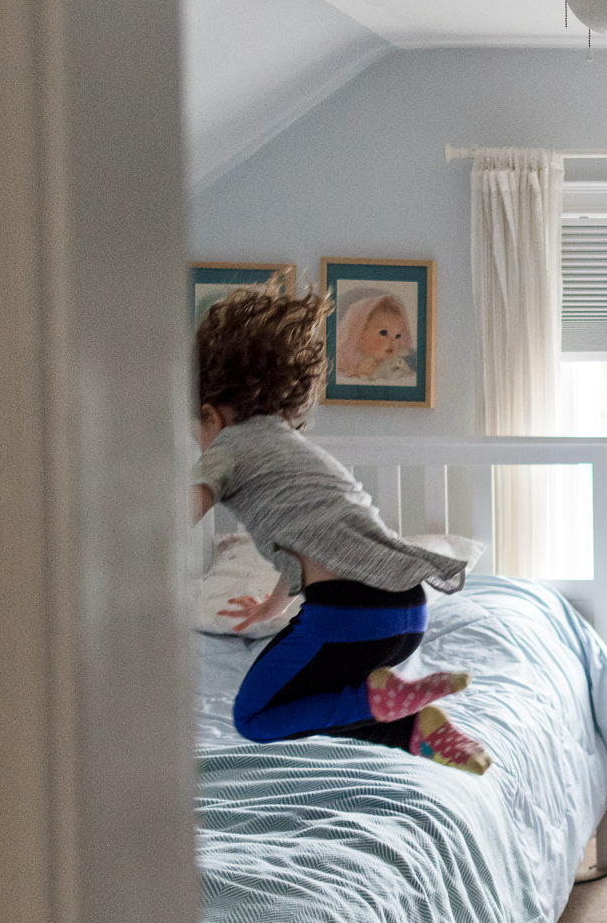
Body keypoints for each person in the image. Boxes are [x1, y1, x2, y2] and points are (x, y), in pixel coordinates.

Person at [191, 286, 491, 773]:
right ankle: (414, 728)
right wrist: (272, 605)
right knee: (320, 700)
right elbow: (315, 531)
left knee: (256, 716)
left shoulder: (227, 446)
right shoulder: (296, 449)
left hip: (348, 619)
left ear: (208, 412)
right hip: (406, 613)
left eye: (196, 430)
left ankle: (384, 704)